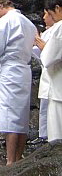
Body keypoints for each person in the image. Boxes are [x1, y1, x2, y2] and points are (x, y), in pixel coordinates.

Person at [0, 0, 37, 165]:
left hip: (10, 69)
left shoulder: (3, 23)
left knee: (10, 116)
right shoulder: (29, 23)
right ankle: (18, 158)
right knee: (22, 115)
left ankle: (9, 161)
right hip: (25, 69)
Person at [39, 0, 62, 142]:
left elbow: (48, 58)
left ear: (58, 9)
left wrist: (43, 47)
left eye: (51, 14)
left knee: (56, 137)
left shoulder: (60, 27)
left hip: (59, 90)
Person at [32, 8, 55, 140]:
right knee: (46, 107)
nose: (44, 17)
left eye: (47, 14)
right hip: (46, 74)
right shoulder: (47, 32)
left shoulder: (57, 30)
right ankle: (44, 136)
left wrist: (42, 46)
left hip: (55, 74)